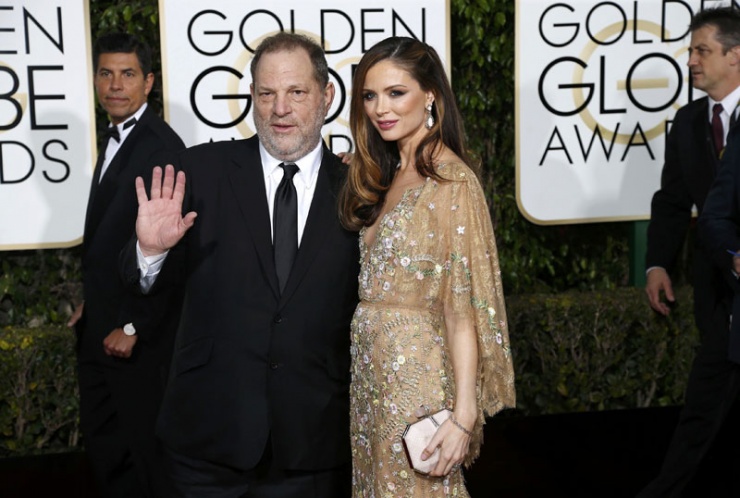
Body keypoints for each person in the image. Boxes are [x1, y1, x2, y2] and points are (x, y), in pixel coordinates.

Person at [123, 32, 360, 497]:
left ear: (327, 96)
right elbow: (137, 285)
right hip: (206, 441)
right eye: (266, 93)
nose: (280, 109)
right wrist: (150, 252)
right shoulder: (195, 172)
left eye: (297, 92)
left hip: (314, 444)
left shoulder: (361, 192)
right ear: (251, 97)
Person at [338, 36, 515, 497]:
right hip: (370, 379)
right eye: (370, 96)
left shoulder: (451, 181)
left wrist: (463, 416)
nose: (381, 108)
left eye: (397, 93)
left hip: (417, 381)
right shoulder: (386, 171)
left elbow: (462, 312)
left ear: (430, 95)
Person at [67, 33, 185, 497]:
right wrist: (91, 305)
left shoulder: (160, 146)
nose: (115, 84)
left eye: (128, 74)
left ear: (149, 82)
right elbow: (112, 239)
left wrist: (133, 325)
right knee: (109, 453)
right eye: (106, 73)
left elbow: (172, 250)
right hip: (102, 323)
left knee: (143, 461)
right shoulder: (117, 137)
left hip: (135, 339)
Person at [639, 7, 740, 497]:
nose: (692, 60)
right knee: (707, 394)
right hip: (714, 288)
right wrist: (657, 262)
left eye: (702, 50)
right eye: (691, 50)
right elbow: (673, 201)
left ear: (735, 55)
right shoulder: (688, 121)